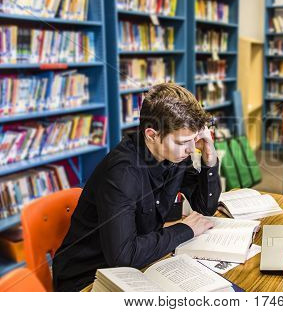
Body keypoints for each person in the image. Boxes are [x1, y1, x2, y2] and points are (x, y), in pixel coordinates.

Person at [52, 83, 221, 291]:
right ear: (152, 135)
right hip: (88, 279)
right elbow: (123, 256)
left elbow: (204, 208)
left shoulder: (176, 155)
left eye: (193, 140)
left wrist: (210, 157)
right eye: (182, 142)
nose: (190, 149)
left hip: (137, 264)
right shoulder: (122, 173)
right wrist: (185, 229)